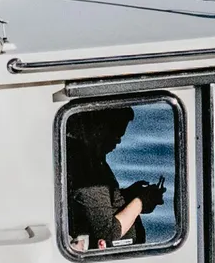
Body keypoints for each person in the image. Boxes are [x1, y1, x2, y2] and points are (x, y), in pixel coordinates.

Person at [65, 105, 166, 254]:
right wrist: (140, 202)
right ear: (98, 128)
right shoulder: (86, 169)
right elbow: (106, 236)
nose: (118, 140)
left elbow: (98, 204)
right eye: (115, 132)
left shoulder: (92, 160)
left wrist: (128, 195)